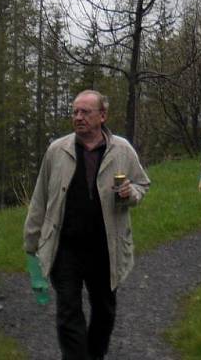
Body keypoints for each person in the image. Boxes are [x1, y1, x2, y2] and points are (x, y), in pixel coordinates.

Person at [23, 90, 150, 360]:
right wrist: (31, 242)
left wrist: (131, 194)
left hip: (106, 246)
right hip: (65, 246)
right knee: (68, 312)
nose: (78, 117)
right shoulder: (57, 150)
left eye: (85, 112)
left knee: (104, 310)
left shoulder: (122, 150)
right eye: (75, 112)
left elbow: (142, 184)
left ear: (102, 116)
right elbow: (40, 198)